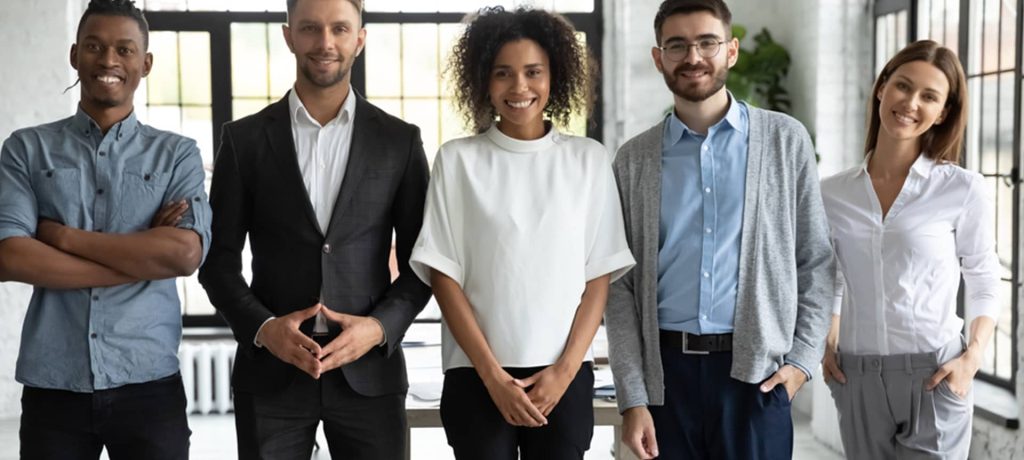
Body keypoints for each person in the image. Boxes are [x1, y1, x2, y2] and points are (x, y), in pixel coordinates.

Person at [196, 0, 431, 457]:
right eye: (311, 28)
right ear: (288, 36)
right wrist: (265, 328)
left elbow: (421, 263)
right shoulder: (242, 141)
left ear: (359, 39)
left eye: (340, 29)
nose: (326, 43)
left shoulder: (399, 141)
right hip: (271, 375)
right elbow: (217, 263)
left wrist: (379, 328)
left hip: (369, 375)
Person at [604, 0, 836, 459]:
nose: (693, 57)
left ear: (730, 51)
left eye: (707, 42)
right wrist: (632, 396)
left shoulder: (785, 140)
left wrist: (801, 363)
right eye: (677, 45)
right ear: (659, 58)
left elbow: (816, 260)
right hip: (664, 380)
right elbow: (619, 287)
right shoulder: (633, 160)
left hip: (757, 377)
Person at [408, 7, 635, 459]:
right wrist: (493, 376)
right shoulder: (457, 161)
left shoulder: (587, 160)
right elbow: (443, 276)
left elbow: (598, 277)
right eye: (503, 73)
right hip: (476, 374)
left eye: (534, 72)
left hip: (563, 375)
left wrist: (565, 371)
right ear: (483, 80)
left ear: (555, 76)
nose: (519, 88)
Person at [0, 0, 210, 458]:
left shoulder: (177, 155)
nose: (109, 60)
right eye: (94, 46)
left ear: (145, 63)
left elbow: (183, 255)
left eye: (124, 49)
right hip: (54, 385)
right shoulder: (26, 150)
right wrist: (139, 259)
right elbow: (11, 256)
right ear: (75, 55)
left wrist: (61, 238)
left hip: (149, 385)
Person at [820, 40, 998, 460]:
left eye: (929, 96)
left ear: (944, 112)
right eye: (902, 85)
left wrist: (971, 358)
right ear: (882, 88)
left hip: (935, 375)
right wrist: (828, 342)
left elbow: (984, 275)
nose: (911, 102)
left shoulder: (962, 188)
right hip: (857, 376)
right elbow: (829, 276)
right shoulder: (831, 193)